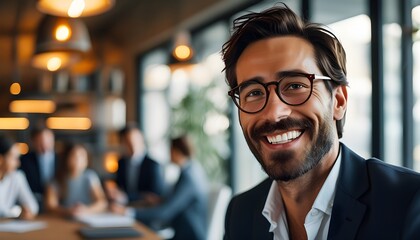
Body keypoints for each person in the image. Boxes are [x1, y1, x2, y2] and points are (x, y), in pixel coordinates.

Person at [221, 4, 420, 240]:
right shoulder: (241, 212)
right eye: (254, 93)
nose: (274, 113)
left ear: (338, 101)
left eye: (295, 86)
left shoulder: (408, 204)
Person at [111, 135, 209, 240]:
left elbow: (165, 213)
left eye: (170, 151)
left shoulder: (188, 177)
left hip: (189, 236)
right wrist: (161, 200)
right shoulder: (193, 170)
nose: (169, 155)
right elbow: (180, 202)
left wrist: (128, 212)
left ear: (175, 151)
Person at [106, 124, 165, 205]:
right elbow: (119, 186)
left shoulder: (153, 165)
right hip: (123, 208)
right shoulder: (121, 162)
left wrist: (126, 197)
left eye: (135, 140)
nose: (132, 144)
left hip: (145, 210)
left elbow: (154, 196)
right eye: (127, 141)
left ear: (141, 139)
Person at [45, 143, 107, 217]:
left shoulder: (90, 176)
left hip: (86, 217)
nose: (78, 159)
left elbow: (102, 202)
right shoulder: (57, 179)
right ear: (66, 158)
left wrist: (86, 210)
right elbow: (50, 205)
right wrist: (68, 211)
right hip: (64, 219)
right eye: (74, 156)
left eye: (82, 156)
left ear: (87, 160)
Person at [0, 135, 38, 219]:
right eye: (14, 158)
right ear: (1, 159)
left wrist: (26, 211)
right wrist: (17, 211)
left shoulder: (17, 177)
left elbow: (33, 207)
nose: (18, 163)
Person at [20, 127, 58, 210]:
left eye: (48, 141)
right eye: (40, 142)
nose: (44, 145)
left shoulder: (62, 159)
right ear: (33, 142)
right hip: (33, 203)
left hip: (57, 204)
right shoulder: (24, 160)